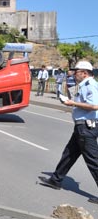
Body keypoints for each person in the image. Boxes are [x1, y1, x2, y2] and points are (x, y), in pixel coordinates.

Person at [38, 60, 98, 204]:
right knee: (69, 154)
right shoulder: (82, 85)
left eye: (76, 71)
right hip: (81, 127)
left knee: (93, 160)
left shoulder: (90, 85)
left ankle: (56, 179)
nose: (73, 73)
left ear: (84, 73)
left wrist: (73, 103)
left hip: (86, 127)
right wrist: (69, 100)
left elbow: (95, 106)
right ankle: (56, 180)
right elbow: (79, 101)